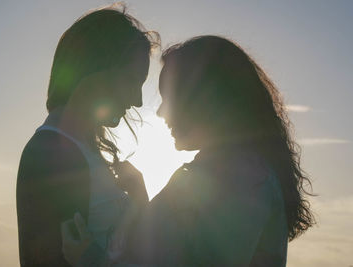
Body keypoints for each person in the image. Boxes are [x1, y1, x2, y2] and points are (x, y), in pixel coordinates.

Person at [63, 36, 315, 266]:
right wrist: (141, 199)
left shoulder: (241, 177)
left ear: (202, 98)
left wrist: (90, 259)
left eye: (168, 98)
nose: (161, 112)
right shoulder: (227, 172)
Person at [16, 5, 158, 266]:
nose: (138, 100)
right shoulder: (52, 154)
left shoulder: (84, 149)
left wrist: (140, 200)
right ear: (97, 69)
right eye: (132, 80)